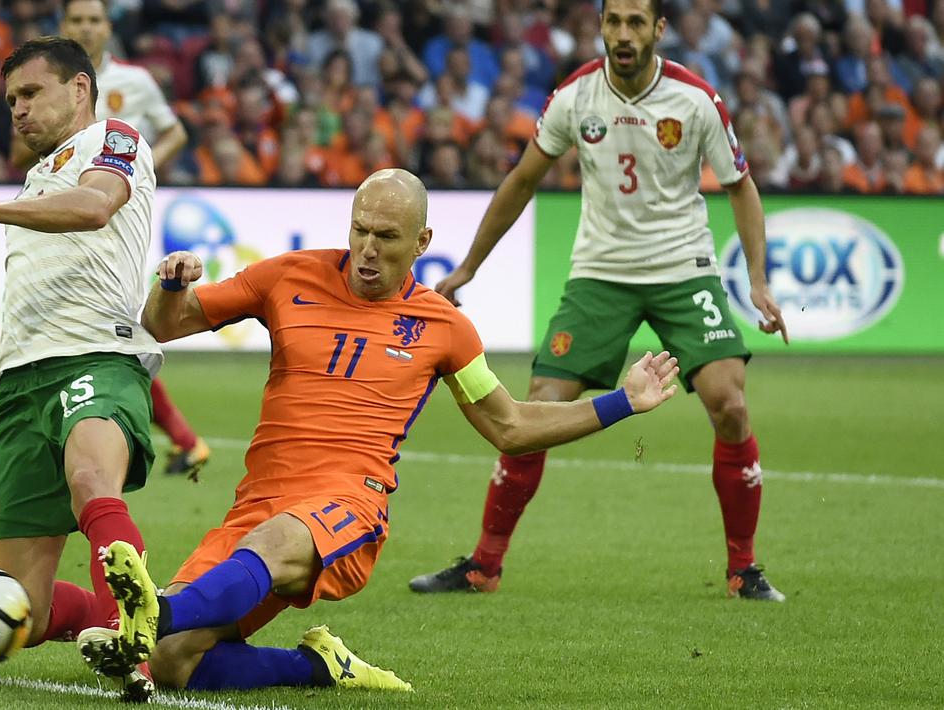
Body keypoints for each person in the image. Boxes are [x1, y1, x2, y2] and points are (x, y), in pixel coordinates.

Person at [75, 168, 682, 692]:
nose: (367, 249)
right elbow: (166, 325)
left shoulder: (444, 328)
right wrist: (171, 286)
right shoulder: (288, 276)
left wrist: (622, 402)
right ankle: (319, 667)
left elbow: (512, 425)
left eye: (386, 237)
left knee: (263, 551)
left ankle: (155, 612)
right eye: (359, 230)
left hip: (348, 504)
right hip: (259, 501)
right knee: (172, 661)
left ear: (422, 242)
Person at [408, 0, 789, 602]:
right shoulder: (575, 96)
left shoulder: (696, 100)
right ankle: (484, 566)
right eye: (614, 22)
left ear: (659, 30)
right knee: (540, 404)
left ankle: (743, 569)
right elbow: (523, 179)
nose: (623, 34)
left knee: (731, 405)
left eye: (636, 22)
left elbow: (741, 187)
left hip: (683, 271)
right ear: (602, 27)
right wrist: (469, 266)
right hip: (600, 274)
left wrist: (758, 280)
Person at [0, 36, 160, 700]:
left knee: (89, 478)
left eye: (30, 93)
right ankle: (130, 619)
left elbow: (95, 206)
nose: (18, 109)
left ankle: (132, 646)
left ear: (79, 88)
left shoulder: (114, 140)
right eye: (10, 100)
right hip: (20, 391)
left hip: (96, 357)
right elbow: (27, 316)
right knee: (20, 612)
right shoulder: (35, 184)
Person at [56, 0, 211, 478]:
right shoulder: (50, 83)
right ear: (64, 25)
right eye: (77, 20)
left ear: (108, 27)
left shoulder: (134, 81)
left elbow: (175, 132)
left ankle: (175, 438)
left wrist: (138, 173)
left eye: (93, 20)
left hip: (117, 221)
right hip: (66, 215)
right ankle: (183, 439)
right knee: (101, 329)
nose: (86, 28)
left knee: (111, 327)